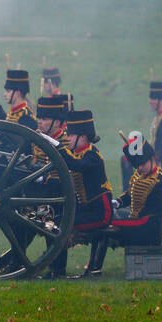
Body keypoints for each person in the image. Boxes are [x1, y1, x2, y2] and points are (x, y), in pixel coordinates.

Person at [48, 109, 114, 278]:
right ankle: (56, 270)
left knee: (60, 227)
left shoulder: (92, 155)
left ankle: (58, 271)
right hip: (87, 210)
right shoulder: (80, 154)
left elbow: (76, 165)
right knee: (53, 223)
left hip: (100, 212)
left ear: (83, 137)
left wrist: (58, 148)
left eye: (71, 135)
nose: (68, 138)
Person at [113, 139, 162, 247]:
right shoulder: (140, 175)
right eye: (137, 165)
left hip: (149, 229)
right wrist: (117, 202)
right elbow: (131, 194)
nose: (140, 168)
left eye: (142, 163)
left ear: (152, 158)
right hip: (137, 223)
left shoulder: (160, 182)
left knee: (110, 225)